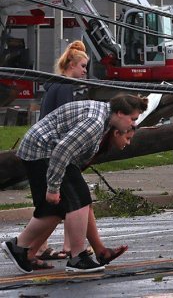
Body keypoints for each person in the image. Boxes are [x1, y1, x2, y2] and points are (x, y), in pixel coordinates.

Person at [3, 94, 145, 274]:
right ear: (119, 113)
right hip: (43, 150)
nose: (133, 124)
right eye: (132, 119)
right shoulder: (95, 122)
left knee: (57, 207)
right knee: (79, 198)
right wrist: (53, 188)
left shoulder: (104, 119)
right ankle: (78, 257)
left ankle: (19, 246)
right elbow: (62, 151)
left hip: (44, 150)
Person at [34, 40, 91, 262]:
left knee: (51, 199)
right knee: (70, 198)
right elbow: (65, 118)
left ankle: (48, 246)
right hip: (52, 148)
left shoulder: (55, 85)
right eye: (83, 67)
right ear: (70, 65)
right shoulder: (66, 86)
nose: (85, 71)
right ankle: (70, 247)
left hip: (45, 144)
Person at [39, 40, 90, 121]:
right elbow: (65, 120)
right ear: (72, 65)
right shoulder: (64, 86)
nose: (85, 71)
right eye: (83, 66)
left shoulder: (56, 83)